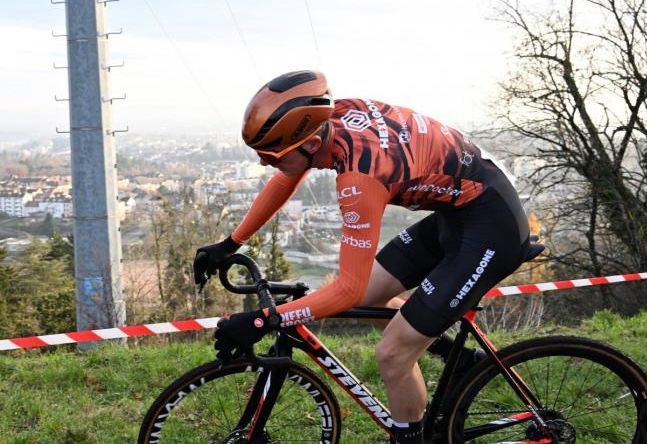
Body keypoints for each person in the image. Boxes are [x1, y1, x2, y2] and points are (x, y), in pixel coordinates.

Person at [193, 70, 531, 444]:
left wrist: (263, 321)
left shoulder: (360, 178)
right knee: (373, 296)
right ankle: (459, 358)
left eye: (270, 154)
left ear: (308, 144)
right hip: (460, 212)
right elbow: (286, 177)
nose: (262, 163)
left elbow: (347, 289)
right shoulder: (329, 119)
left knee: (391, 355)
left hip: (491, 226)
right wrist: (231, 242)